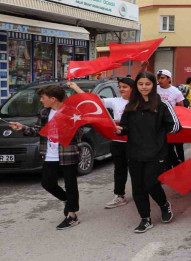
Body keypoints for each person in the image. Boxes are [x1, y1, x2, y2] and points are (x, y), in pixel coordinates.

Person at [9, 85, 82, 230]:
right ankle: (69, 201)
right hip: (49, 154)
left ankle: (72, 216)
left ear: (53, 99)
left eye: (43, 97)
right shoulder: (44, 112)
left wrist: (61, 128)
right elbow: (39, 130)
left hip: (67, 153)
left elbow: (78, 133)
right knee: (47, 183)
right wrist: (22, 128)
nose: (41, 100)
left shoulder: (71, 112)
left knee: (70, 184)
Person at [117, 72, 180, 233]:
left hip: (156, 153)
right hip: (134, 152)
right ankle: (145, 219)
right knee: (138, 187)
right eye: (141, 84)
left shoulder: (162, 104)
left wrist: (158, 134)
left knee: (151, 183)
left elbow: (175, 126)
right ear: (136, 86)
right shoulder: (131, 106)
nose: (144, 87)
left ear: (153, 86)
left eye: (147, 84)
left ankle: (164, 205)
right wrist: (120, 130)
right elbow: (125, 127)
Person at [68, 78, 135, 209]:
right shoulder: (115, 101)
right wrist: (75, 88)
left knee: (137, 170)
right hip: (118, 141)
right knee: (119, 170)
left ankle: (141, 193)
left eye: (125, 87)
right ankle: (119, 195)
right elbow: (92, 102)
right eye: (120, 86)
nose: (121, 89)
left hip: (135, 142)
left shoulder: (140, 103)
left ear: (132, 88)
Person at [156, 70, 186, 169]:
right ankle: (168, 167)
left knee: (172, 145)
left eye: (162, 78)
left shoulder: (176, 91)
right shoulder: (154, 89)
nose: (160, 80)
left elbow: (181, 107)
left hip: (170, 123)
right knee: (164, 147)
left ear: (169, 79)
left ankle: (178, 164)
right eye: (158, 78)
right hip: (157, 122)